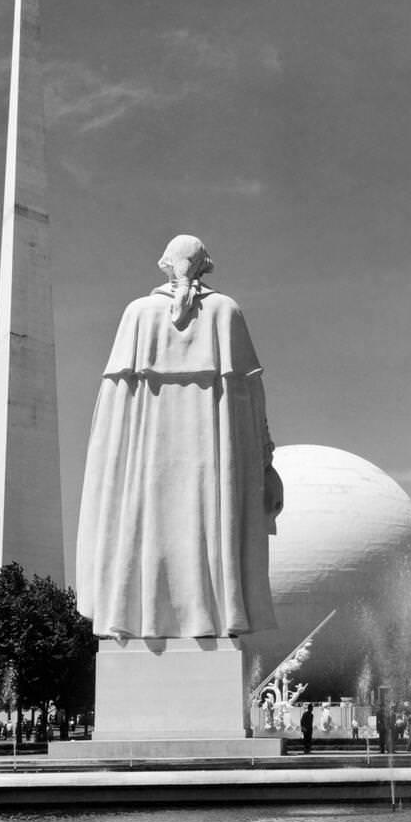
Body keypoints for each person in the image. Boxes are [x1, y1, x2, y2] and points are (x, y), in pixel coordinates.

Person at [76, 235, 283, 639]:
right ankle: (214, 615)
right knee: (210, 522)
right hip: (213, 465)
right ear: (205, 265)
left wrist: (105, 479)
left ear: (166, 264)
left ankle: (136, 616)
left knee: (146, 525)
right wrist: (266, 464)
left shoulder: (138, 314)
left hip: (145, 463)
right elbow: (253, 404)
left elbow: (110, 419)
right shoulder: (226, 312)